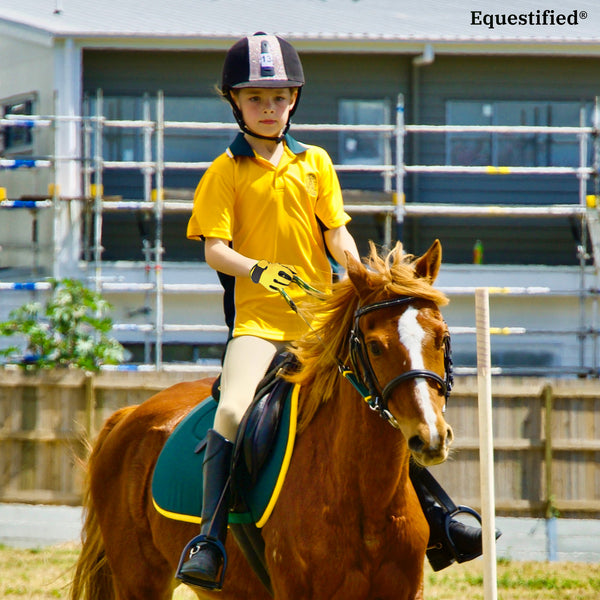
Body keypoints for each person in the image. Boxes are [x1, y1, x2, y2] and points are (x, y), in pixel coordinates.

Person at [177, 32, 492, 591]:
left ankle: (439, 517)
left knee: (382, 405)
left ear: (293, 99)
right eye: (256, 98)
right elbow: (213, 249)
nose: (269, 109)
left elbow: (337, 233)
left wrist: (362, 276)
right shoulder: (224, 172)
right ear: (235, 103)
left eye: (278, 98)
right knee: (230, 413)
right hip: (259, 328)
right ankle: (210, 539)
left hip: (320, 327)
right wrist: (258, 270)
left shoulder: (315, 163)